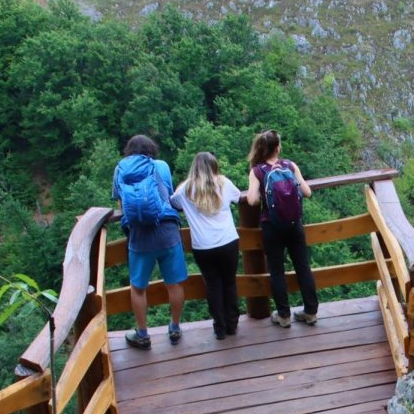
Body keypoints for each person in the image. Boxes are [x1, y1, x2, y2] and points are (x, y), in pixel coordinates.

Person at [113, 134, 187, 350]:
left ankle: (143, 334)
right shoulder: (161, 165)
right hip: (167, 230)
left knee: (138, 288)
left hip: (139, 234)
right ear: (151, 150)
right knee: (174, 283)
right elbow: (169, 195)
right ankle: (174, 328)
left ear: (129, 151)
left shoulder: (121, 168)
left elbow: (122, 202)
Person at [245, 129, 318, 328]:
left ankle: (284, 316)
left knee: (276, 270)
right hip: (294, 224)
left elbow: (251, 200)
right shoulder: (289, 165)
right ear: (277, 148)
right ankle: (311, 312)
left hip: (272, 226)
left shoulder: (258, 171)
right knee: (303, 267)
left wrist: (262, 193)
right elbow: (307, 192)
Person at [171, 152, 242, 340]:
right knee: (229, 282)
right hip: (228, 241)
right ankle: (232, 324)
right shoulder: (224, 183)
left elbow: (173, 203)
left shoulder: (185, 190)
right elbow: (238, 198)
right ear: (215, 166)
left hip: (203, 246)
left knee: (213, 285)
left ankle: (219, 328)